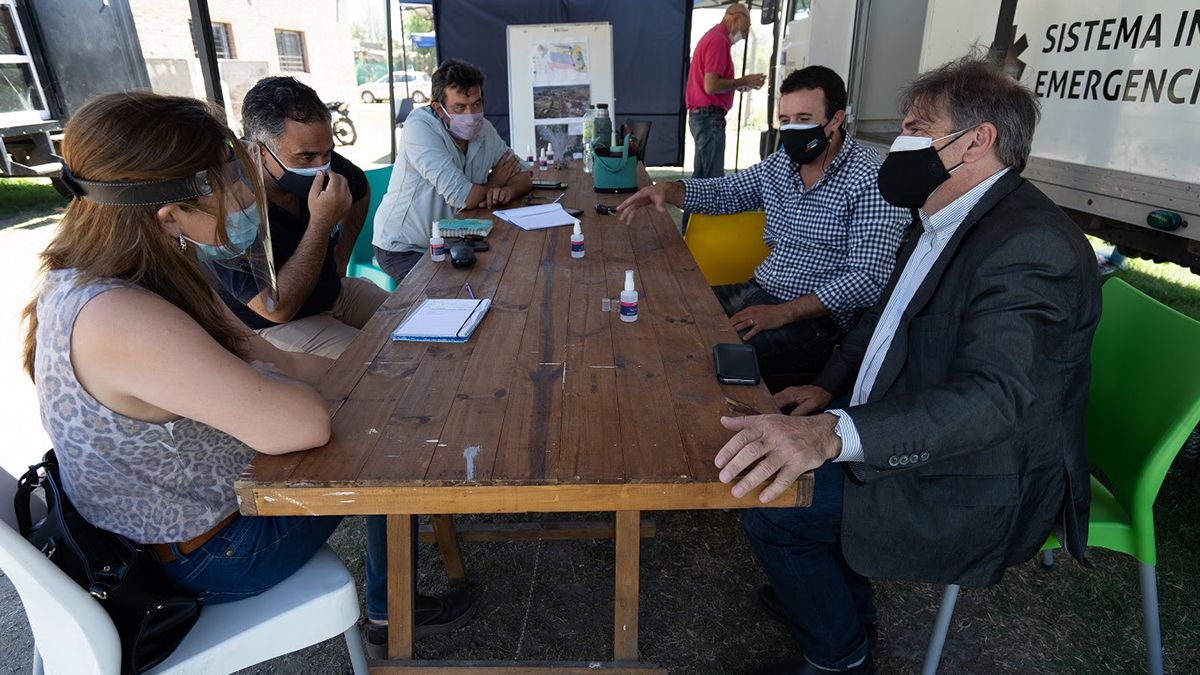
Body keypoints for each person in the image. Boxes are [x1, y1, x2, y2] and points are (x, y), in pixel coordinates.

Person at [21, 92, 474, 660]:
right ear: (168, 215)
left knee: (381, 409)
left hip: (165, 529)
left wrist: (382, 375)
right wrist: (377, 397)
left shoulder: (118, 273)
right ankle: (390, 612)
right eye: (225, 181)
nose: (245, 194)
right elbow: (302, 424)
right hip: (208, 556)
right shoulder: (122, 317)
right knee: (389, 451)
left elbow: (272, 356)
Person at [713, 56, 1100, 674]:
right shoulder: (943, 215)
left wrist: (835, 433)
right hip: (910, 419)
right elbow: (882, 318)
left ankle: (840, 655)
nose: (901, 141)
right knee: (786, 487)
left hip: (978, 470)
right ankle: (844, 608)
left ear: (978, 140)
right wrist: (827, 388)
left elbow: (993, 402)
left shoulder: (1030, 246)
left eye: (918, 126)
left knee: (775, 503)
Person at [618, 66, 909, 375]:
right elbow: (728, 192)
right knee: (657, 311)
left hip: (817, 320)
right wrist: (669, 190)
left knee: (702, 358)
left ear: (835, 120)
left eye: (804, 119)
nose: (792, 129)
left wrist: (783, 313)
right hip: (759, 291)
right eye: (785, 121)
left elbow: (868, 280)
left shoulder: (871, 179)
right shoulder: (782, 163)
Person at [213, 76, 389, 359]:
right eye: (306, 158)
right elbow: (277, 309)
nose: (322, 168)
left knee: (416, 323)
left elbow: (360, 189)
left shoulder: (321, 161)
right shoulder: (230, 206)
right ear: (258, 152)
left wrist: (342, 257)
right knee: (378, 362)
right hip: (273, 325)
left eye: (327, 152)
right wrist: (322, 222)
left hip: (332, 294)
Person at [373, 58, 533, 283]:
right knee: (454, 289)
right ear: (438, 108)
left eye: (477, 104)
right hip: (405, 247)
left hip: (456, 239)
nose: (471, 115)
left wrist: (509, 191)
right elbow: (463, 197)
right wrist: (495, 184)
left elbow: (524, 177)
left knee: (504, 273)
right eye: (460, 107)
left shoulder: (483, 129)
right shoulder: (419, 127)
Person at [685, 2, 766, 178]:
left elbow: (711, 83)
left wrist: (738, 84)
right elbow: (711, 85)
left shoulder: (713, 37)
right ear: (736, 18)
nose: (743, 36)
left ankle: (695, 205)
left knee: (702, 177)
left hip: (702, 115)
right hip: (709, 117)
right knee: (712, 180)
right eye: (745, 29)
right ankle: (704, 206)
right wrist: (743, 81)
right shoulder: (718, 40)